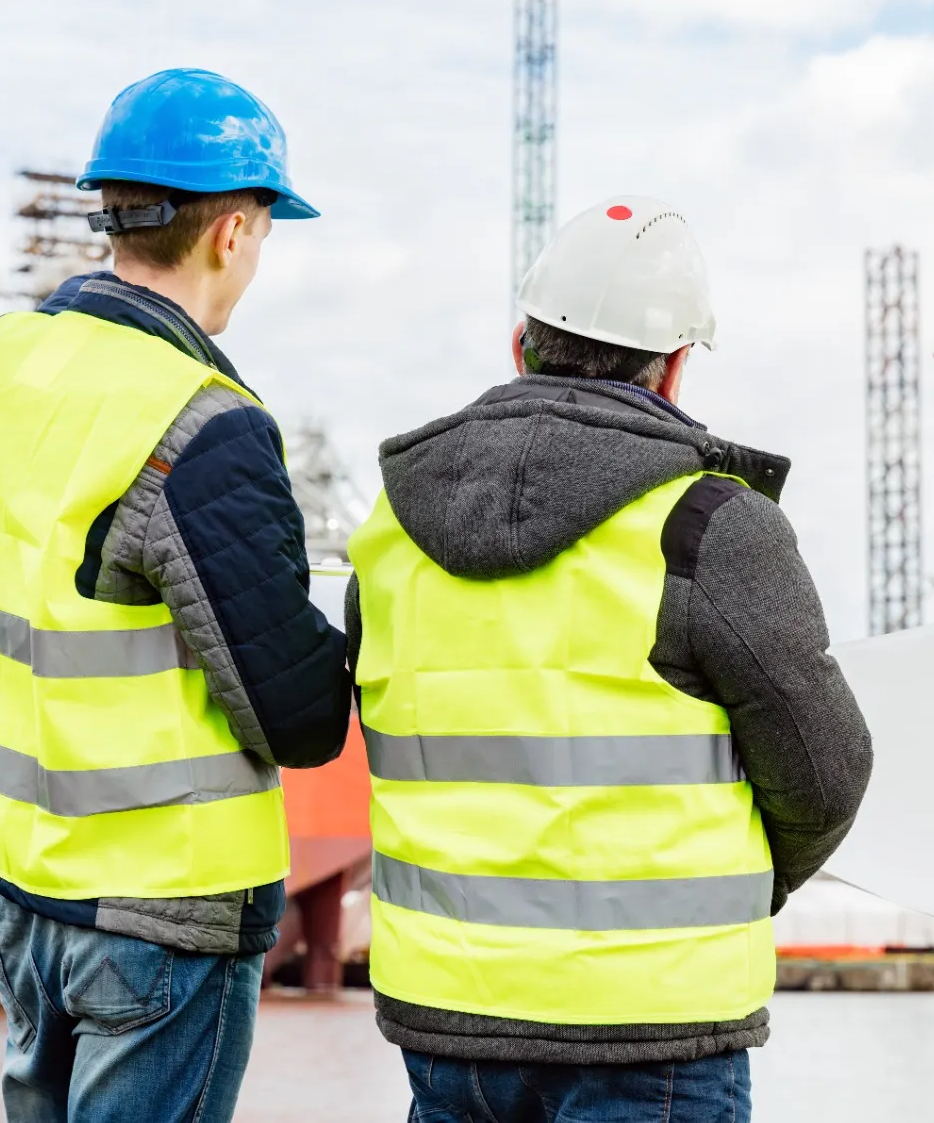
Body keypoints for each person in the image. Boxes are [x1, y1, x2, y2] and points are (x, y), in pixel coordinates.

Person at [345, 197, 874, 1122]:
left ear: (521, 345)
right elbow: (827, 773)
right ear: (673, 371)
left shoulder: (391, 526)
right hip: (651, 1024)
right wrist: (735, 885)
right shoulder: (707, 522)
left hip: (447, 1013)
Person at [0, 68, 354, 1123]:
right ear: (233, 232)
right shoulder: (198, 421)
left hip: (18, 892)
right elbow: (298, 719)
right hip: (162, 915)